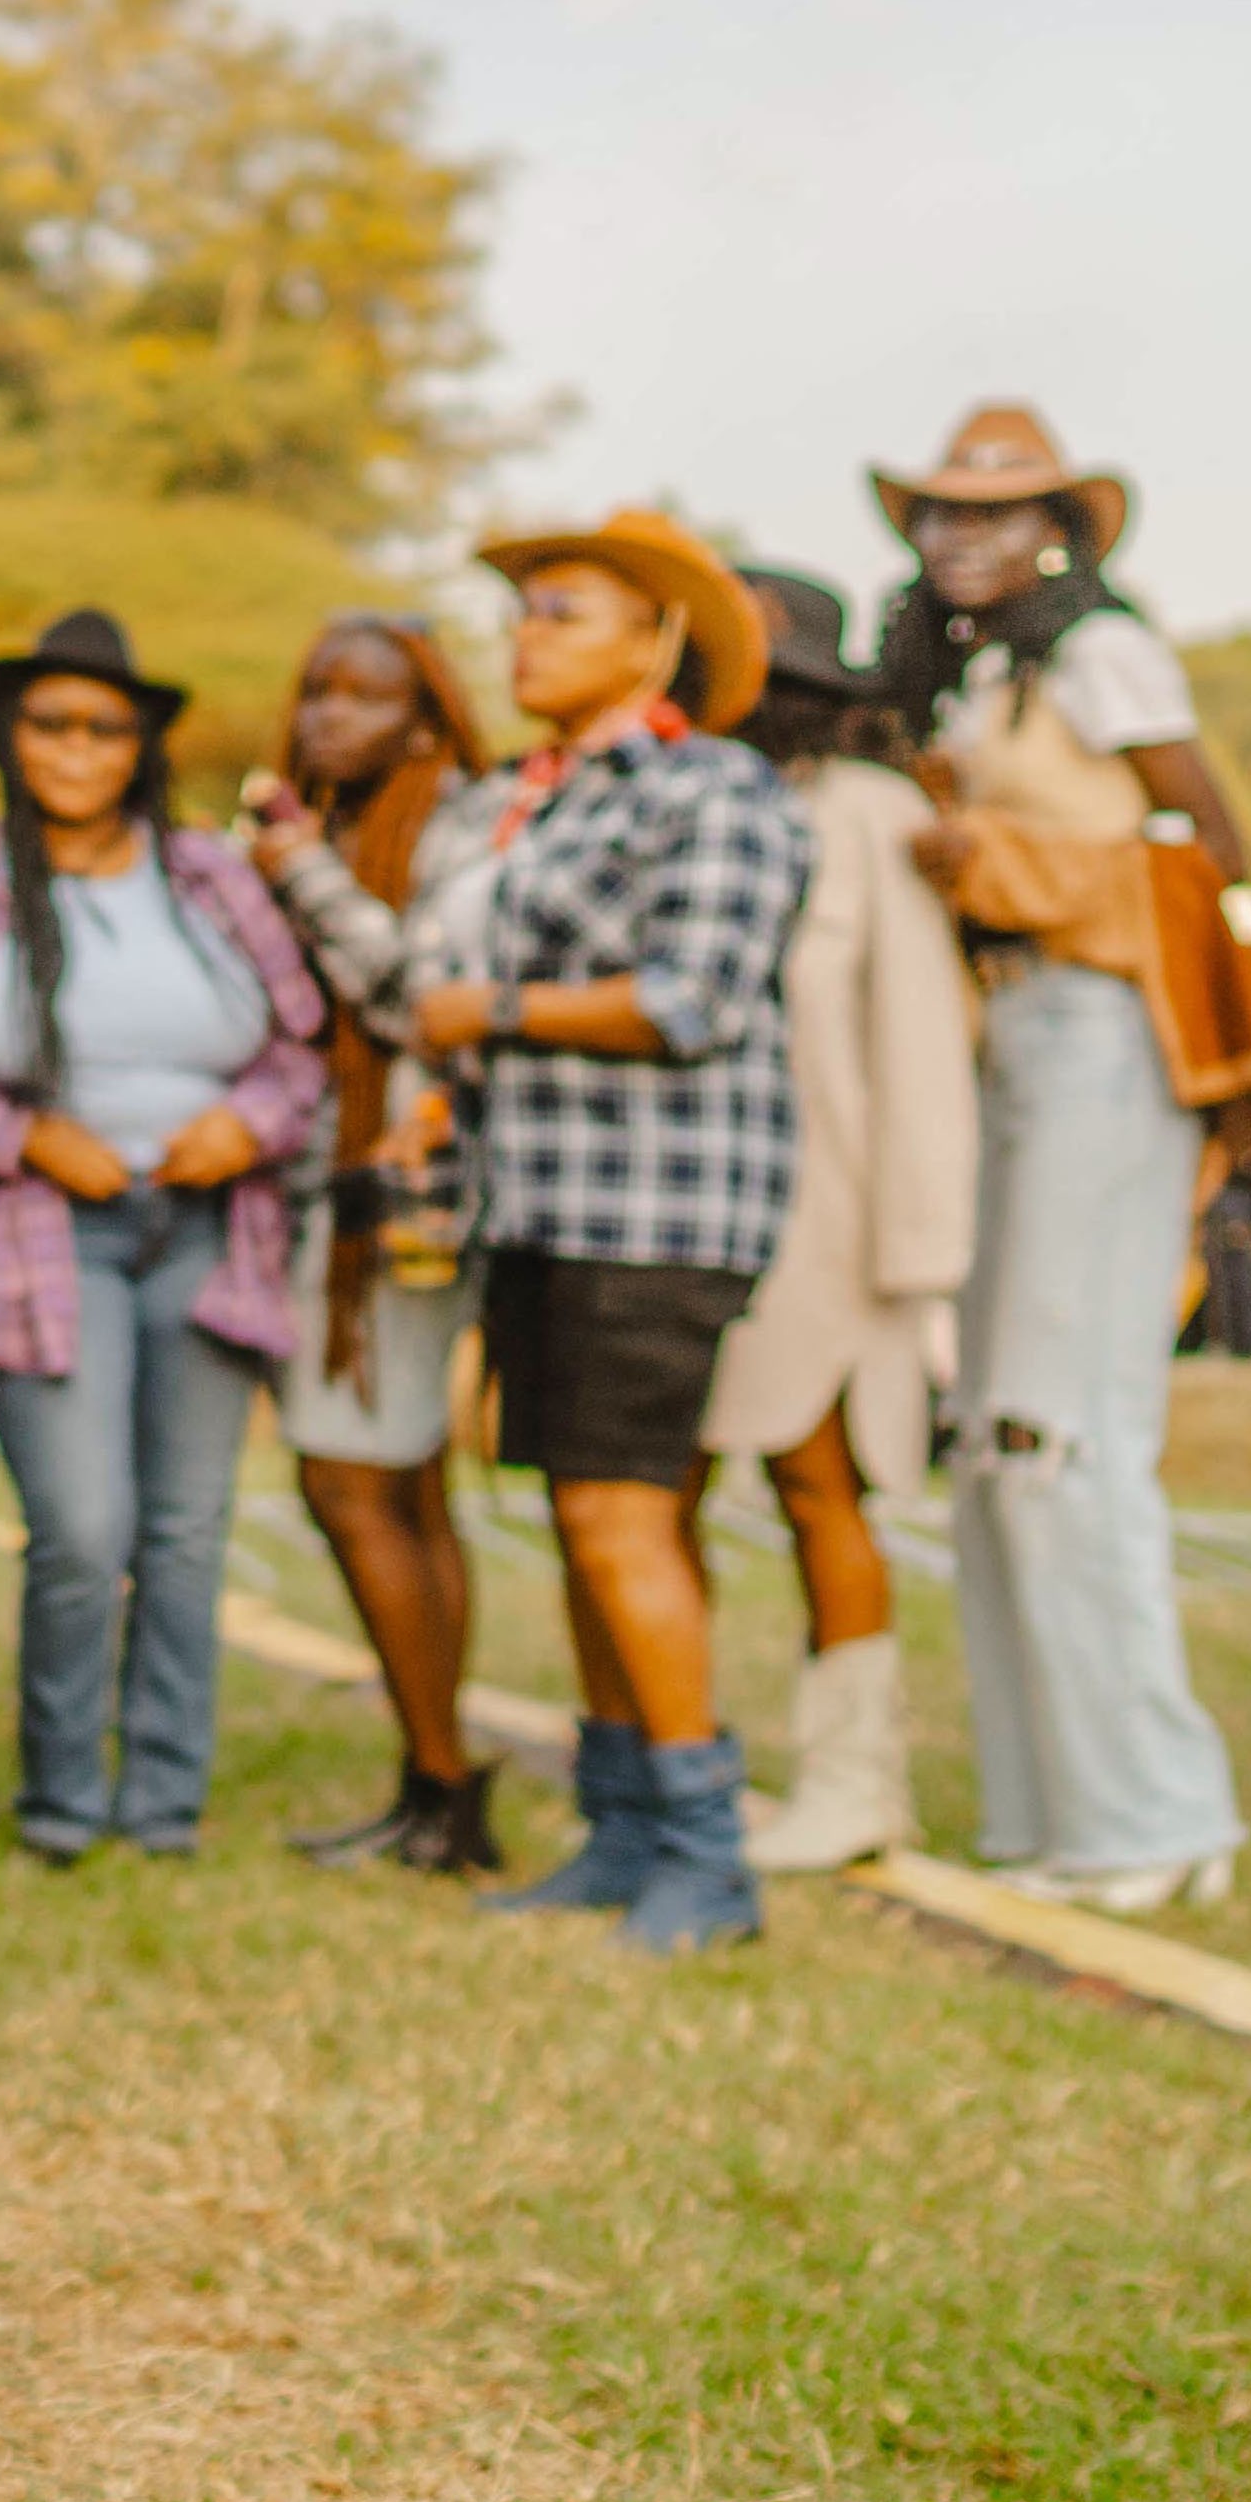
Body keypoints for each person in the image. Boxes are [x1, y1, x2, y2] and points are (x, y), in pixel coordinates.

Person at [0, 610, 325, 1857]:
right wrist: (25, 1139)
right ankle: (62, 1800)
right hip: (41, 1237)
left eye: (106, 726)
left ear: (141, 745)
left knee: (186, 1529)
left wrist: (248, 1124)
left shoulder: (207, 874)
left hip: (209, 1224)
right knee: (83, 1527)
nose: (77, 747)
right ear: (10, 734)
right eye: (50, 722)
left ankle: (161, 1806)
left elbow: (300, 1042)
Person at [866, 402, 1251, 1905]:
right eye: (939, 512)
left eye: (995, 511)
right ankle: (1050, 1812)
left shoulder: (1102, 654)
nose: (961, 535)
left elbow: (1211, 852)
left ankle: (1157, 1814)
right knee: (990, 1444)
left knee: (1063, 1429)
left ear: (1058, 524)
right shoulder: (970, 678)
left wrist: (1013, 866)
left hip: (1102, 1033)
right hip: (1005, 1037)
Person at [419, 519, 809, 1952]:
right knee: (578, 1516)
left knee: (619, 1512)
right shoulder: (516, 803)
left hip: (656, 1208)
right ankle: (620, 1824)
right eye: (522, 611)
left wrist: (496, 1017)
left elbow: (693, 996)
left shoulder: (716, 788)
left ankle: (710, 1856)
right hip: (533, 1198)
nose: (527, 636)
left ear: (655, 641)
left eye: (564, 612)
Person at [712, 570, 974, 1878]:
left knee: (820, 1483)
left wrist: (919, 1252)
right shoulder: (692, 804)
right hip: (690, 1206)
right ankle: (675, 1755)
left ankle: (853, 1776)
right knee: (670, 1486)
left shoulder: (866, 816)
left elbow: (919, 1036)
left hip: (827, 1216)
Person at [242, 614, 509, 1868]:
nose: (328, 719)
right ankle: (436, 1780)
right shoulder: (328, 822)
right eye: (315, 692)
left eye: (363, 698)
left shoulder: (458, 820)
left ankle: (443, 1786)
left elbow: (418, 995)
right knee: (396, 1481)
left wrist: (299, 871)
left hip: (403, 1194)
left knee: (350, 1480)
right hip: (318, 1186)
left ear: (425, 715)